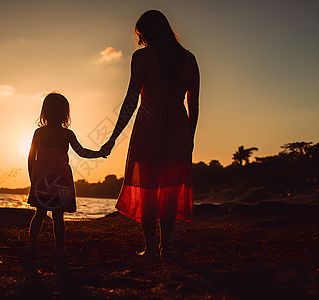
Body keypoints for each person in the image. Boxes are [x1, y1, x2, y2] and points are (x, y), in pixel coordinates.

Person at [101, 10, 200, 260]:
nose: (139, 40)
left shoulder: (142, 57)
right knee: (169, 189)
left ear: (147, 33)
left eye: (141, 35)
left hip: (149, 127)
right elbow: (194, 105)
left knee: (148, 188)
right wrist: (189, 138)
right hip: (178, 129)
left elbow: (131, 100)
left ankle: (150, 249)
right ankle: (164, 248)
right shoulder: (189, 59)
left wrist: (113, 137)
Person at [27, 92, 105, 258]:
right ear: (65, 113)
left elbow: (30, 158)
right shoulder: (67, 134)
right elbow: (82, 152)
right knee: (58, 217)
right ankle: (59, 250)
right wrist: (99, 153)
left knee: (39, 214)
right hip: (60, 180)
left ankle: (32, 246)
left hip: (41, 179)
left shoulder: (39, 133)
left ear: (44, 112)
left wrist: (32, 178)